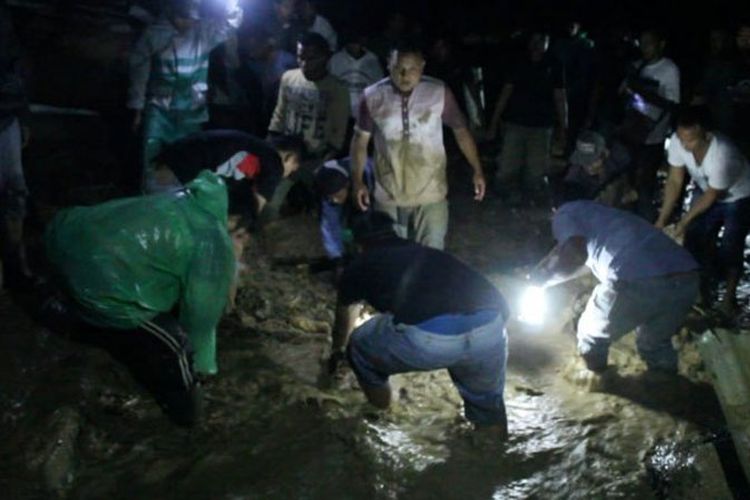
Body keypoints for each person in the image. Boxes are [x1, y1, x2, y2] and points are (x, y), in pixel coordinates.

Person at [40, 171, 247, 426]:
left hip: (62, 236)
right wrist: (204, 368)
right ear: (235, 221)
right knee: (177, 345)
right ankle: (189, 419)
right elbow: (200, 319)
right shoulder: (211, 237)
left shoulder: (180, 198)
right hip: (97, 280)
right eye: (242, 236)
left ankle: (62, 309)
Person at [329, 212, 509, 434]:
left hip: (431, 338)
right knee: (486, 404)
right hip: (492, 326)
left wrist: (338, 350)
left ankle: (381, 413)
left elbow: (344, 318)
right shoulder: (428, 253)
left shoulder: (359, 264)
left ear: (357, 243)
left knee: (358, 347)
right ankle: (494, 447)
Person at [531, 200, 699, 374]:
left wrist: (540, 283)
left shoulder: (563, 214)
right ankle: (667, 387)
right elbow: (585, 261)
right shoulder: (603, 215)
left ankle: (596, 384)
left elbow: (576, 253)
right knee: (654, 345)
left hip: (637, 278)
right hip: (686, 277)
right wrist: (548, 280)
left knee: (591, 335)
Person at [350, 42, 486, 250]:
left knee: (431, 254)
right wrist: (358, 181)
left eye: (412, 69)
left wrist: (477, 170)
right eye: (399, 68)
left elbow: (461, 131)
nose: (405, 75)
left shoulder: (438, 92)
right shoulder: (372, 96)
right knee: (390, 253)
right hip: (388, 192)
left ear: (422, 66)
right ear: (389, 65)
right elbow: (360, 142)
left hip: (431, 191)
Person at [127, 0, 243, 189]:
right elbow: (139, 70)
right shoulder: (155, 34)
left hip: (191, 111)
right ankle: (152, 202)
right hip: (159, 109)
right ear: (172, 13)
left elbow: (230, 24)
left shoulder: (203, 33)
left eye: (191, 18)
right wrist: (137, 107)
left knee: (189, 158)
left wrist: (231, 3)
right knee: (153, 156)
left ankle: (183, 202)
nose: (186, 23)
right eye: (182, 18)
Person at [655, 106, 750, 316]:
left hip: (738, 195)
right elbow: (675, 179)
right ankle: (698, 290)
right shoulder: (679, 142)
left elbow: (712, 196)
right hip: (708, 187)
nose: (685, 145)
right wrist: (661, 220)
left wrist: (682, 223)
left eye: (691, 140)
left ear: (706, 135)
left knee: (730, 246)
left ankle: (728, 298)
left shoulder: (723, 155)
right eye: (681, 139)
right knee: (695, 239)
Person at [489, 30, 568, 205]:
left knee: (536, 170)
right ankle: (501, 200)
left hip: (542, 126)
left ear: (548, 42)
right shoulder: (518, 62)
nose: (538, 43)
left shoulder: (554, 64)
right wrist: (494, 122)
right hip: (515, 123)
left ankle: (529, 203)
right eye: (535, 39)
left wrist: (564, 126)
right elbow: (506, 92)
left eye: (543, 40)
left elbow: (560, 97)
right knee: (507, 165)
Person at [148, 129, 302, 217]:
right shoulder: (274, 163)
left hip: (166, 161)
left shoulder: (255, 149)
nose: (290, 172)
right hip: (176, 172)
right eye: (294, 166)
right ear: (289, 157)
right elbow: (252, 210)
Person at [616, 28, 680, 221]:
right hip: (631, 132)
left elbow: (672, 104)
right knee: (627, 180)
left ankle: (645, 224)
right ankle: (628, 220)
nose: (645, 48)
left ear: (661, 44)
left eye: (649, 43)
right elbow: (621, 95)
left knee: (645, 184)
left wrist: (641, 91)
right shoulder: (638, 65)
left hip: (652, 137)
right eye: (642, 43)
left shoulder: (669, 69)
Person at [267, 32, 350, 162]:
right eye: (301, 58)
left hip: (315, 156)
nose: (304, 64)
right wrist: (271, 141)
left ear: (325, 57)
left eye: (311, 59)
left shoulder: (337, 88)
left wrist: (326, 158)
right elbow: (280, 113)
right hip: (287, 152)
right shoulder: (288, 78)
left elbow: (338, 129)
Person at [0, 6, 32, 289]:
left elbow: (17, 72)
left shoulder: (5, 22)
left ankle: (15, 261)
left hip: (6, 118)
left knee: (14, 192)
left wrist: (23, 116)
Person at [314, 156, 374, 267]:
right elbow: (330, 225)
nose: (335, 200)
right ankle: (348, 252)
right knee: (345, 226)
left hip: (375, 189)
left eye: (338, 196)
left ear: (347, 185)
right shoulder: (325, 185)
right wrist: (337, 259)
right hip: (350, 196)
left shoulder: (368, 176)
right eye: (330, 197)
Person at [559, 130, 632, 207]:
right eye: (583, 160)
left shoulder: (619, 159)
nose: (588, 165)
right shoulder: (575, 176)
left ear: (605, 154)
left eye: (593, 160)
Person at [328, 30, 384, 119]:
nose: (355, 46)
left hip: (365, 117)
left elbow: (379, 89)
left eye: (357, 42)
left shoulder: (373, 60)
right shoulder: (335, 60)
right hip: (339, 115)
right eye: (352, 42)